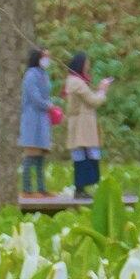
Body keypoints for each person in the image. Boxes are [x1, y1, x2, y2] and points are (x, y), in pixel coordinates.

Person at [61, 52, 114, 198]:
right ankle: (80, 188)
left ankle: (81, 188)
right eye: (86, 64)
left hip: (81, 123)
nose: (88, 67)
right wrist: (102, 90)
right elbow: (93, 101)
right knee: (84, 155)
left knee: (83, 155)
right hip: (81, 124)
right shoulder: (76, 82)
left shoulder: (76, 81)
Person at [18, 48, 53, 197]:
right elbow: (34, 96)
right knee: (30, 153)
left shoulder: (44, 74)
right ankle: (26, 188)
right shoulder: (30, 75)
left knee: (41, 155)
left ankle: (41, 188)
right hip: (32, 118)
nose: (47, 59)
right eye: (45, 56)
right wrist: (48, 105)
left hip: (43, 118)